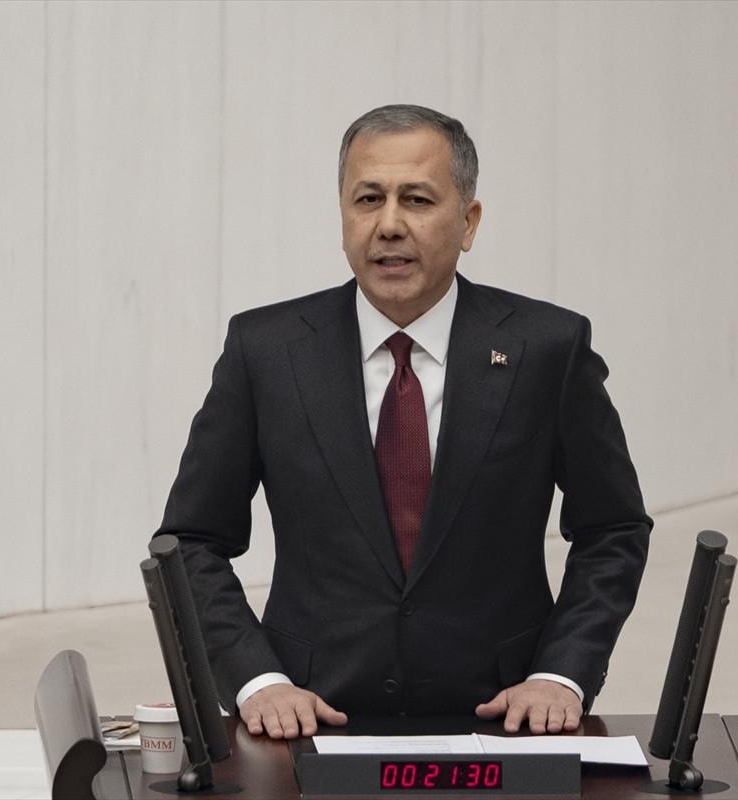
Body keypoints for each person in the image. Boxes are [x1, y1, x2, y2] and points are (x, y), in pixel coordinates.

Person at [154, 104, 652, 741]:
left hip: (503, 719)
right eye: (368, 199)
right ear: (343, 216)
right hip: (308, 720)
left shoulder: (547, 349)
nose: (389, 225)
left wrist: (561, 674)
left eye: (417, 200)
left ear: (468, 222)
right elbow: (190, 541)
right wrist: (258, 681)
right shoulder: (267, 351)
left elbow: (612, 529)